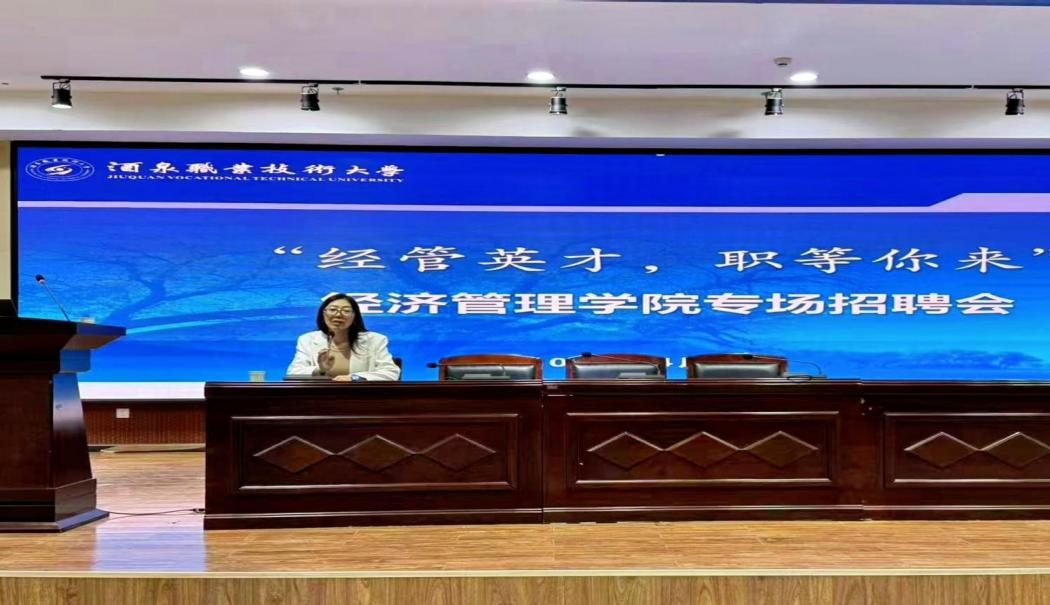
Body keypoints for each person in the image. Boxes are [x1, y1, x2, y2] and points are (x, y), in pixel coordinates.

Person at [286, 293, 400, 381]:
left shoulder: (375, 340)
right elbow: (292, 374)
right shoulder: (307, 340)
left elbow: (391, 372)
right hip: (319, 398)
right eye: (332, 310)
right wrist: (320, 370)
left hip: (361, 398)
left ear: (354, 317)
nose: (338, 315)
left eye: (346, 311)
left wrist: (354, 378)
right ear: (323, 314)